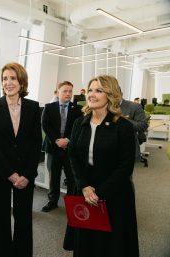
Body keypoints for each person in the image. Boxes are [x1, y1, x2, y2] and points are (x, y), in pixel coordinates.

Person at [65, 75, 139, 257]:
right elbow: (73, 155)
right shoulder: (79, 123)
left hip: (114, 194)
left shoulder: (123, 127)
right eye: (90, 90)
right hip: (84, 190)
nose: (92, 94)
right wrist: (83, 186)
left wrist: (99, 192)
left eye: (99, 90)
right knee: (85, 244)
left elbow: (125, 166)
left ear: (110, 95)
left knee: (111, 247)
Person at [0, 62, 42, 257]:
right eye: (4, 78)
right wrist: (10, 174)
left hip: (26, 172)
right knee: (0, 218)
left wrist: (26, 174)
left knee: (23, 218)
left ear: (21, 82)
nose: (8, 82)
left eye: (13, 78)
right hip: (1, 171)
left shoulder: (34, 107)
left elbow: (36, 144)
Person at [41, 81, 82, 212]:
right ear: (58, 92)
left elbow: (78, 127)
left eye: (70, 91)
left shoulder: (77, 109)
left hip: (69, 148)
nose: (68, 94)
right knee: (54, 176)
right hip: (54, 147)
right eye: (65, 91)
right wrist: (57, 140)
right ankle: (52, 201)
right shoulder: (49, 107)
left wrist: (67, 140)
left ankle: (72, 202)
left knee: (71, 176)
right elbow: (45, 126)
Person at [120, 92, 148, 160]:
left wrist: (124, 120)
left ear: (120, 94)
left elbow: (143, 126)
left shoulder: (134, 106)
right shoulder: (102, 105)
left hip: (126, 150)